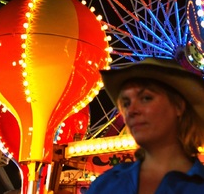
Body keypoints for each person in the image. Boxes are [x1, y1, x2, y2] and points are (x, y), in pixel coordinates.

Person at [87, 57, 204, 194]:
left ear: (178, 106)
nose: (131, 111)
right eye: (126, 103)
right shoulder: (106, 184)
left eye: (146, 98)